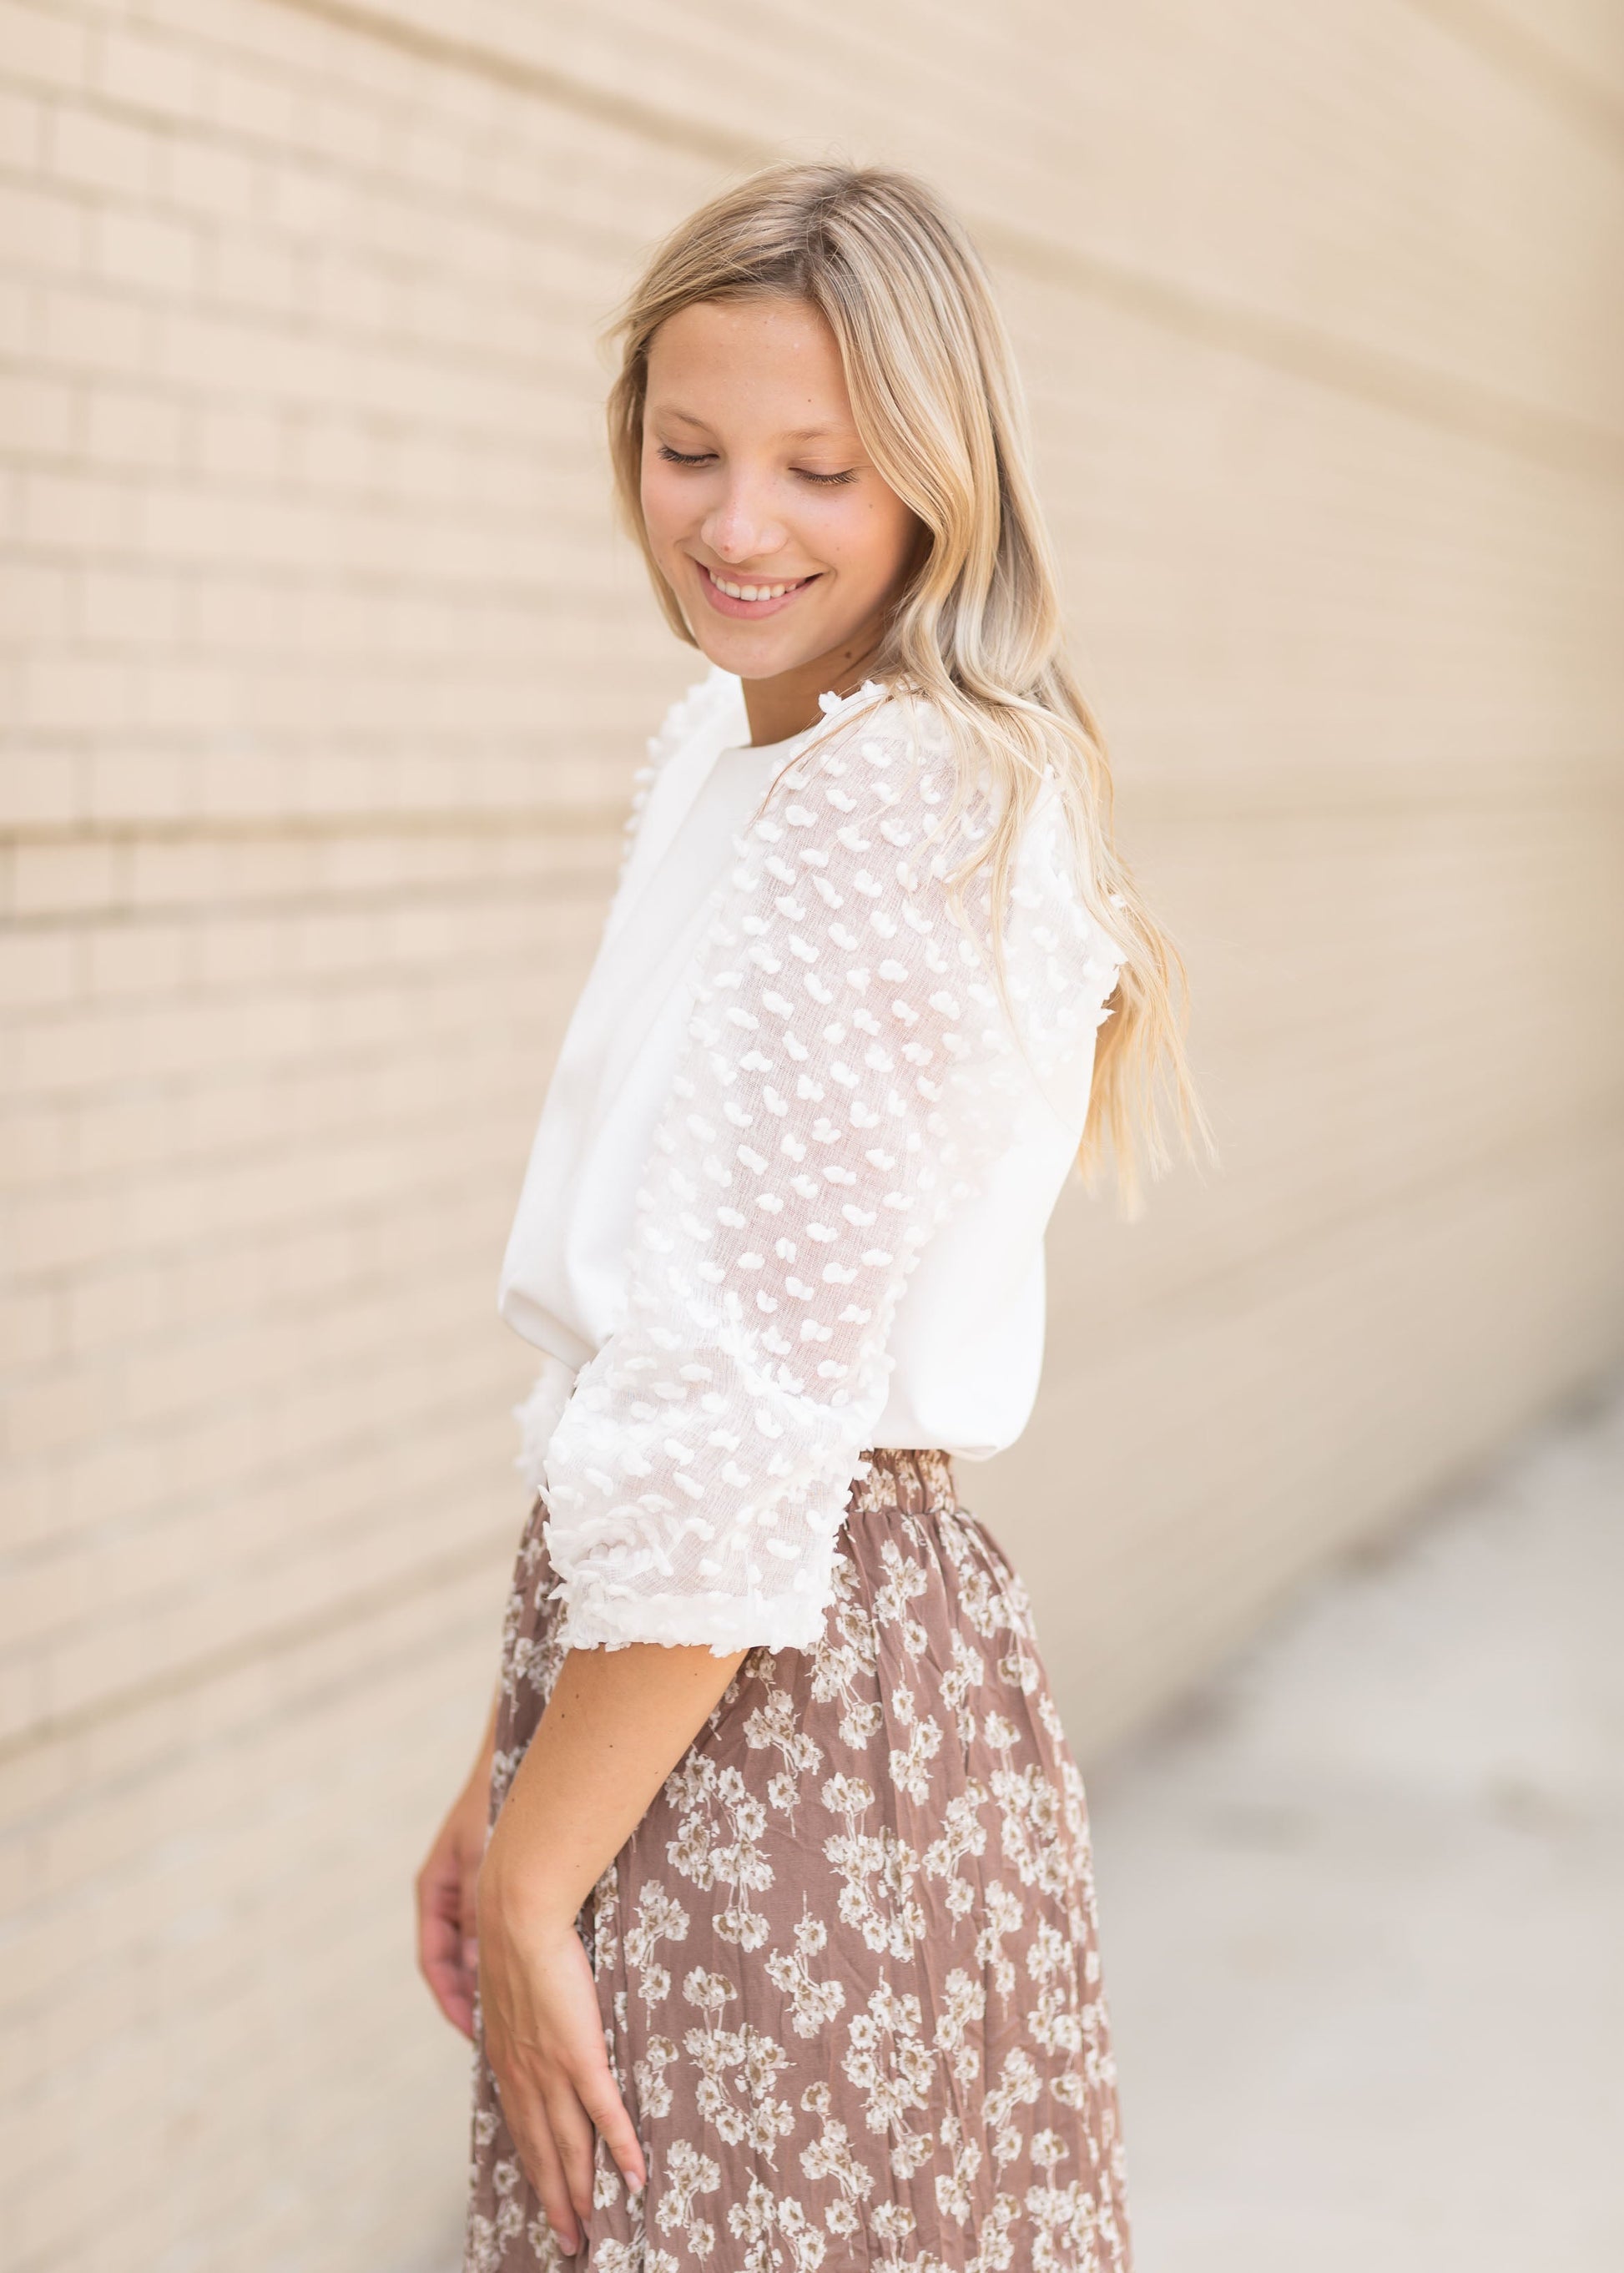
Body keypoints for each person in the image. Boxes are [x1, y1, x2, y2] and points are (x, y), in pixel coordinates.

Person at [416, 161, 1206, 2273]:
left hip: (793, 1694)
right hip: (682, 1658)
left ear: (938, 486)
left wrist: (527, 1863)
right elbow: (648, 1366)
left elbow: (750, 1403)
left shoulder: (903, 802)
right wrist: (507, 1777)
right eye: (688, 451)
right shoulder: (730, 754)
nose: (735, 526)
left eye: (818, 470)